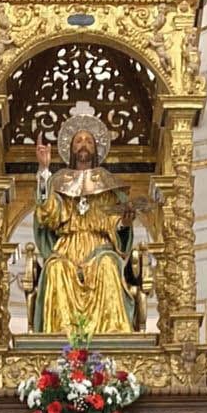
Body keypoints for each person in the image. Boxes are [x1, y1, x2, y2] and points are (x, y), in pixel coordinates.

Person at [32, 102, 136, 337]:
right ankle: (60, 338)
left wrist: (124, 223)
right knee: (56, 268)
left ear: (96, 148)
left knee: (108, 266)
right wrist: (44, 171)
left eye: (88, 141)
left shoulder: (107, 182)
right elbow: (49, 215)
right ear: (70, 148)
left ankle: (112, 337)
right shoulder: (58, 181)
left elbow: (114, 221)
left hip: (99, 247)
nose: (83, 145)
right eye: (78, 141)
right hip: (67, 247)